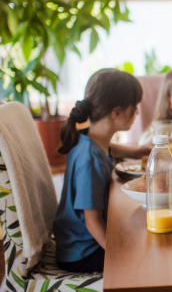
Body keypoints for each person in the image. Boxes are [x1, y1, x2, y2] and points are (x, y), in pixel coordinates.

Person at [54, 68, 143, 273]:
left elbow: (108, 148)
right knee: (150, 254)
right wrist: (120, 256)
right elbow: (93, 223)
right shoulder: (89, 161)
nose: (137, 112)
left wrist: (139, 150)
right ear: (117, 112)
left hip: (78, 243)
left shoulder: (89, 139)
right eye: (135, 106)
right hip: (82, 251)